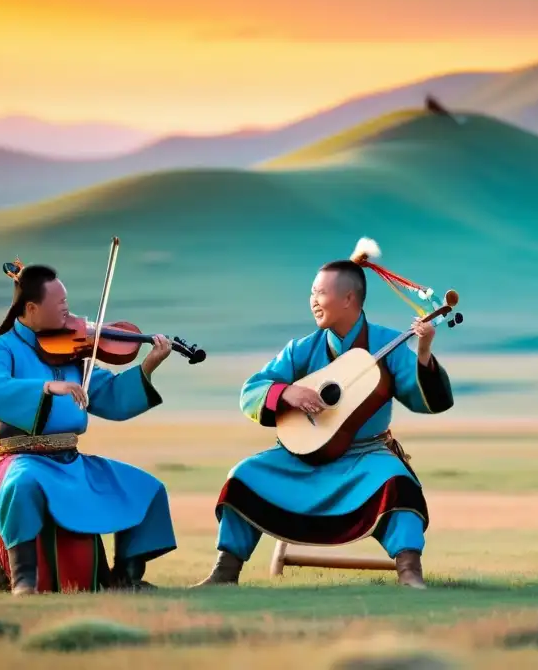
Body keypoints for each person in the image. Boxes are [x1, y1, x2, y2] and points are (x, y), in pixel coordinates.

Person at [193, 238, 456, 589]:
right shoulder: (302, 349)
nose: (312, 301)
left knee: (400, 484)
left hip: (366, 458)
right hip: (303, 457)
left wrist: (423, 352)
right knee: (244, 475)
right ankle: (225, 571)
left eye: (319, 293)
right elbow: (251, 391)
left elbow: (430, 401)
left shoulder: (389, 344)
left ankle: (410, 572)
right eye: (312, 293)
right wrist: (287, 391)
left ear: (349, 299)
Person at [0, 260, 176, 595]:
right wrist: (45, 387)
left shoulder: (72, 353)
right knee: (22, 485)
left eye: (67, 306)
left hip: (70, 460)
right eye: (60, 307)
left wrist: (147, 366)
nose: (69, 315)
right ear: (31, 308)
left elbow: (113, 398)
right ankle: (24, 581)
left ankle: (125, 577)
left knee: (146, 488)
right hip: (20, 458)